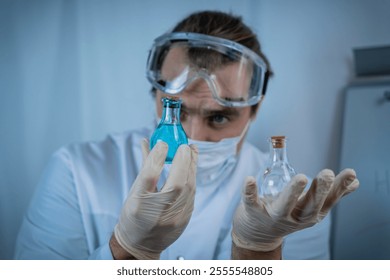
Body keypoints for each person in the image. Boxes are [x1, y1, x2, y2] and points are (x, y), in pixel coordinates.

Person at [14, 10, 359, 260]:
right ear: (156, 98)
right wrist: (126, 252)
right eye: (174, 111)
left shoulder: (292, 203)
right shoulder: (76, 171)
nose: (191, 138)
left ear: (255, 110)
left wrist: (259, 249)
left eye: (220, 117)